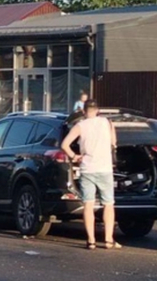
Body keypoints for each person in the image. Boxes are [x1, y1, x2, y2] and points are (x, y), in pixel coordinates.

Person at [61, 99, 120, 250]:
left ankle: (91, 240)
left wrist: (74, 157)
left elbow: (64, 145)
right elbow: (114, 142)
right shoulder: (107, 123)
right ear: (98, 110)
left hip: (87, 169)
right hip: (105, 168)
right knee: (108, 204)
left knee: (88, 204)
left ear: (83, 111)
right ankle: (108, 240)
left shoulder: (80, 126)